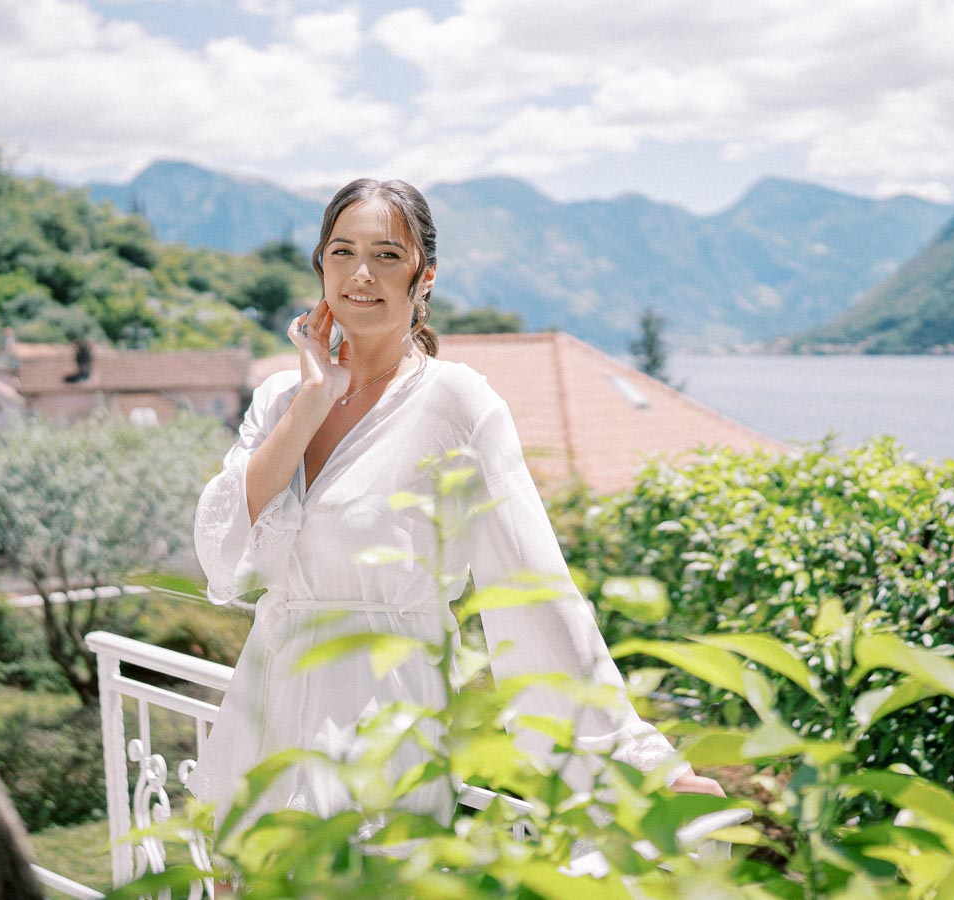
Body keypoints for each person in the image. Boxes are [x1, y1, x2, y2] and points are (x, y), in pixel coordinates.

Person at [187, 178, 724, 844]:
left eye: (387, 255)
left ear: (425, 276)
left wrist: (637, 757)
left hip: (379, 734)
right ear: (320, 267)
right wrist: (312, 401)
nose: (360, 274)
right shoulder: (280, 399)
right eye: (341, 252)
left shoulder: (458, 407)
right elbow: (222, 557)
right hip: (262, 725)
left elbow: (532, 591)